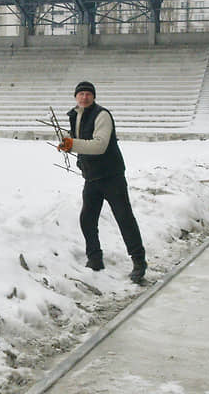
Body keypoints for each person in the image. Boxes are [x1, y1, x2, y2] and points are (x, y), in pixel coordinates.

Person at [57, 81, 147, 282]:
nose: (84, 97)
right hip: (92, 177)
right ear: (75, 97)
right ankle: (95, 258)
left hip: (111, 176)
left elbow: (100, 145)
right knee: (87, 219)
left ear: (94, 96)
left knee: (124, 218)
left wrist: (73, 144)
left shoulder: (102, 115)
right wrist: (69, 146)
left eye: (88, 94)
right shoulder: (75, 115)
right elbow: (79, 141)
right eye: (81, 94)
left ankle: (139, 261)